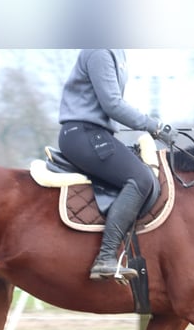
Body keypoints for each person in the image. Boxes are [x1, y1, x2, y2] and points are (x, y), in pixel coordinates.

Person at [58, 49, 178, 280]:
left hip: (98, 134)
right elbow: (112, 104)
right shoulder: (99, 51)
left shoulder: (117, 53)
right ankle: (105, 257)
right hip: (83, 133)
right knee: (141, 180)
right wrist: (154, 126)